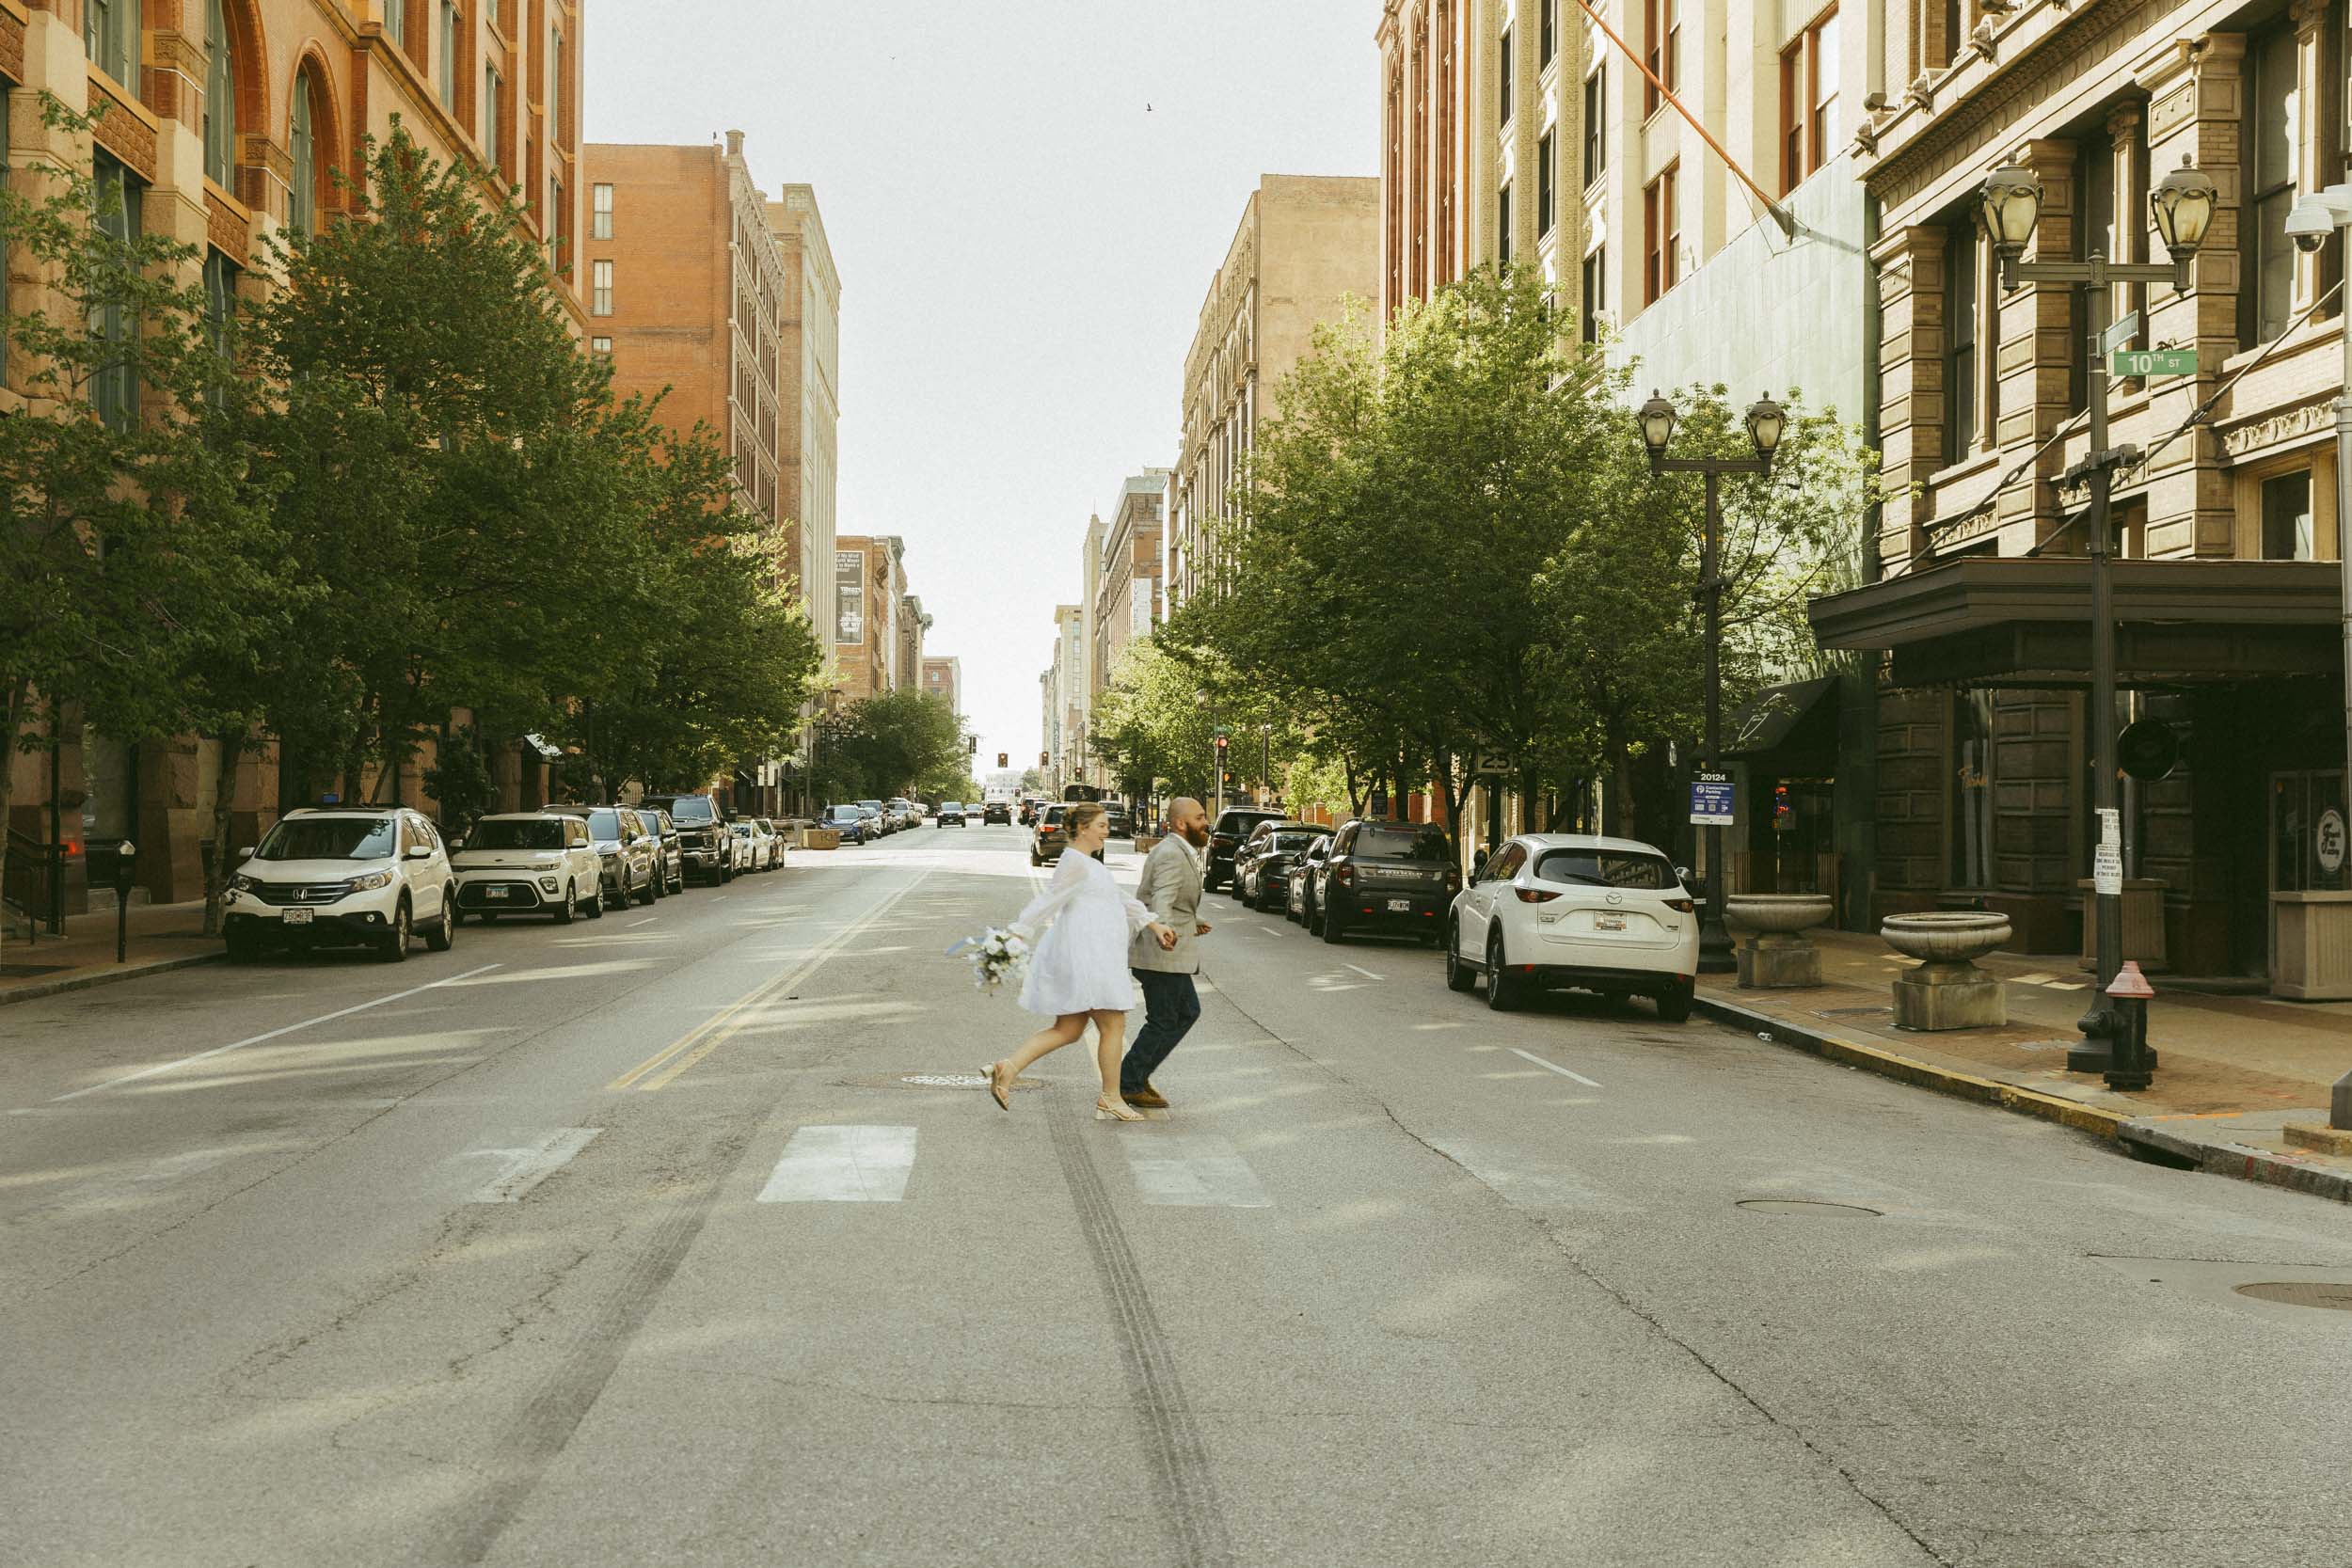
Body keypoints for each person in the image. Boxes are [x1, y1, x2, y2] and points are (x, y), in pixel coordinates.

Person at [982, 801, 1177, 1122]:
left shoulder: (1089, 863)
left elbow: (1118, 898)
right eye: (1101, 825)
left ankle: (1007, 1069)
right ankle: (1111, 1098)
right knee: (1113, 1025)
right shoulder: (1075, 863)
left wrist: (1153, 924)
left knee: (1068, 1029)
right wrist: (1016, 933)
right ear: (1083, 828)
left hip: (1092, 955)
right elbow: (1049, 900)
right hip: (1089, 958)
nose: (1107, 830)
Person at [1120, 796, 1211, 1110]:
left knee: (1186, 1012)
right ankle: (1130, 1081)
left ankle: (1136, 1075)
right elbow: (1160, 899)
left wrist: (1190, 920)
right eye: (1199, 817)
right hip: (1160, 952)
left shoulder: (1180, 850)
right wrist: (1164, 929)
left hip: (1165, 948)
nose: (1206, 822)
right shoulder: (1173, 853)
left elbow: (1168, 899)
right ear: (1180, 823)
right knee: (1164, 1019)